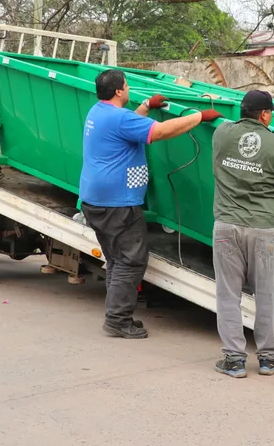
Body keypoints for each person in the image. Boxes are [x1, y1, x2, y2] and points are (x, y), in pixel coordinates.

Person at [80, 69, 221, 339]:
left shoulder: (98, 112)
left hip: (96, 199)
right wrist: (199, 117)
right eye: (126, 85)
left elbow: (128, 127)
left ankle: (116, 314)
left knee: (117, 260)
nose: (128, 88)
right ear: (119, 91)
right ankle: (117, 320)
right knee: (130, 261)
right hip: (117, 204)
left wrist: (146, 105)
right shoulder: (118, 118)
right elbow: (161, 131)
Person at [211, 90, 274, 378]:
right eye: (270, 112)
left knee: (228, 294)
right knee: (267, 295)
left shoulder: (221, 134)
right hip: (264, 230)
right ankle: (269, 359)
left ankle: (234, 361)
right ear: (264, 114)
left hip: (226, 227)